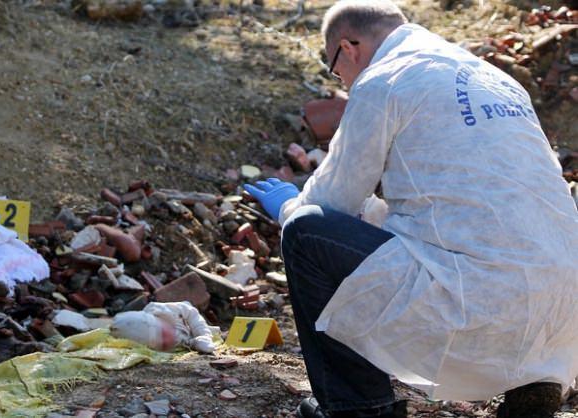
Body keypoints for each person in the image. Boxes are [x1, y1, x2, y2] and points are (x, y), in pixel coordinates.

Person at [243, 0, 578, 417]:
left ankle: (360, 407)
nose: (343, 82)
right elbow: (462, 208)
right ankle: (535, 382)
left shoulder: (384, 79)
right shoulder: (497, 80)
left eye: (335, 70)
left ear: (348, 48)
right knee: (494, 251)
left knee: (306, 232)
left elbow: (333, 200)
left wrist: (289, 206)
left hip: (480, 301)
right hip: (562, 310)